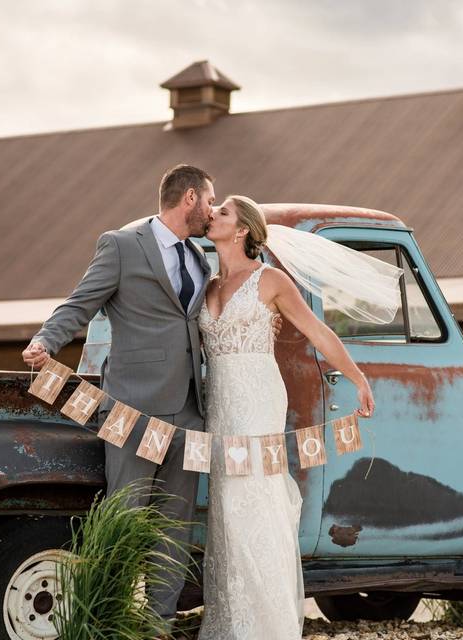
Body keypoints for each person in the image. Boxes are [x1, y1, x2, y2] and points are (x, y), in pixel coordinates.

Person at [22, 164, 214, 635]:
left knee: (175, 526)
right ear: (188, 198)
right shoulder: (123, 245)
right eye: (210, 200)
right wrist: (46, 341)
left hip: (191, 412)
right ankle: (103, 620)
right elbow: (81, 302)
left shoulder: (200, 257)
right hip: (131, 409)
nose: (212, 210)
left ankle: (157, 624)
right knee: (124, 519)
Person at [197, 195, 376, 639]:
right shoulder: (208, 282)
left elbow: (318, 331)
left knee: (254, 501)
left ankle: (266, 626)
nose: (211, 214)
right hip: (218, 399)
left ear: (241, 230)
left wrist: (357, 378)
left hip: (257, 398)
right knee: (225, 507)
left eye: (221, 211)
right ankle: (230, 621)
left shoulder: (270, 280)